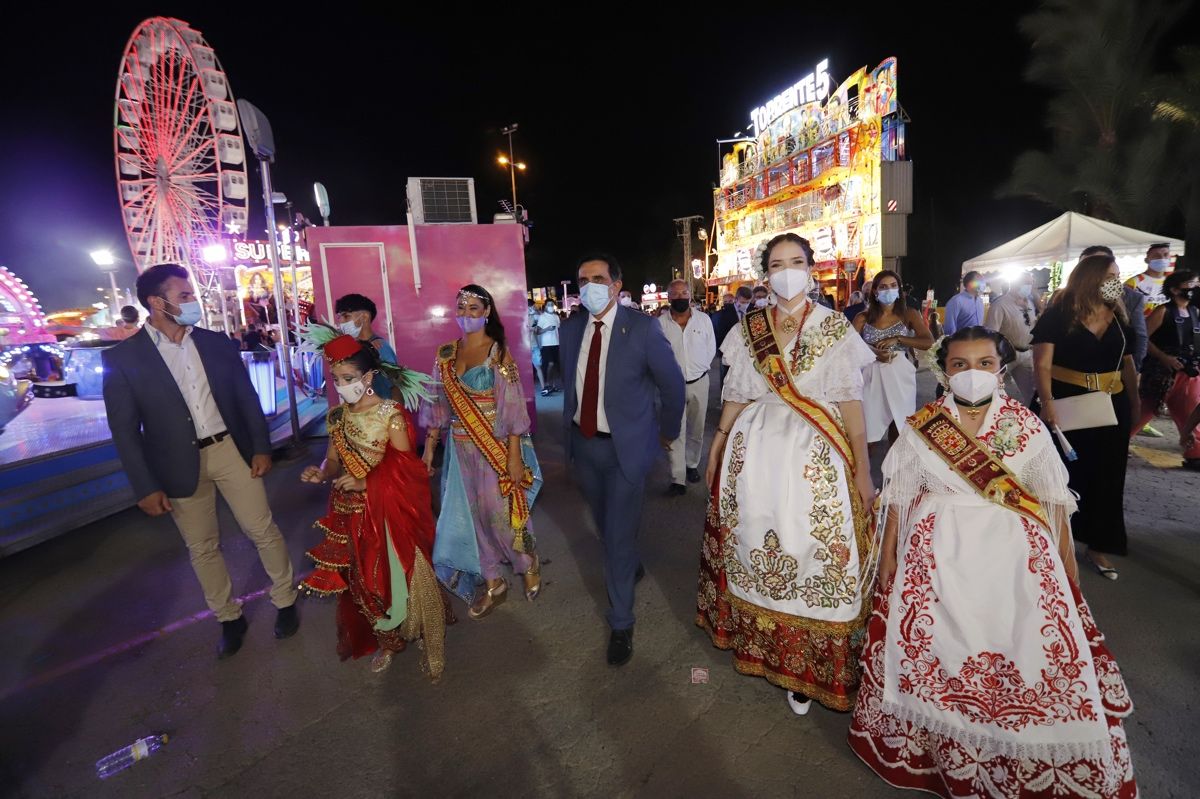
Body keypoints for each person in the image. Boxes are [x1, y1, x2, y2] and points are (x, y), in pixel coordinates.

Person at [849, 326, 1137, 799]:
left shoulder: (1026, 427)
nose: (972, 374)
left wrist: (1067, 571)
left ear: (1001, 369)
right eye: (960, 365)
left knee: (1022, 651)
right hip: (936, 554)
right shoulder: (922, 427)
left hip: (1014, 558)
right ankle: (939, 753)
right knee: (938, 655)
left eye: (984, 364)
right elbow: (898, 497)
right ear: (944, 371)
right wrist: (888, 560)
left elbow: (1053, 502)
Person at [696, 233, 877, 716]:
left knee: (815, 552)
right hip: (754, 455)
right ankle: (764, 646)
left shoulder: (835, 328)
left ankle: (812, 668)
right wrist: (716, 444)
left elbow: (849, 403)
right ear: (765, 273)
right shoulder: (747, 328)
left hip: (818, 460)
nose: (787, 270)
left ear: (811, 268)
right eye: (777, 263)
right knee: (755, 544)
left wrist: (862, 468)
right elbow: (736, 394)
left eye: (796, 261)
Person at [102, 264, 299, 659]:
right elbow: (124, 430)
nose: (193, 302)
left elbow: (246, 398)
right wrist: (146, 486)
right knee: (203, 546)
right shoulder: (125, 358)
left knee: (262, 528)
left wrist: (261, 447)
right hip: (176, 464)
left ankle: (285, 601)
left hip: (230, 450)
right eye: (185, 296)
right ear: (157, 303)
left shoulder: (215, 343)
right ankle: (228, 617)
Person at [297, 331, 447, 675]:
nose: (340, 386)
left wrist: (369, 481)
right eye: (335, 379)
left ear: (367, 378)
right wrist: (321, 473)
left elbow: (408, 469)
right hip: (347, 512)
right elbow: (333, 460)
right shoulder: (336, 417)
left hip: (386, 513)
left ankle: (414, 626)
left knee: (393, 577)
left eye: (347, 379)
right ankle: (387, 640)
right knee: (359, 582)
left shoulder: (390, 414)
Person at [562, 253, 684, 666]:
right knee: (604, 524)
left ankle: (620, 622)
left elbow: (672, 387)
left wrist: (666, 432)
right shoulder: (570, 329)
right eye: (582, 280)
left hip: (626, 450)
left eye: (597, 278)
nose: (589, 286)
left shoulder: (643, 329)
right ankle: (629, 562)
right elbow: (571, 390)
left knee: (615, 536)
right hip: (585, 446)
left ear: (616, 285)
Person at [422, 285, 544, 618]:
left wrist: (514, 456)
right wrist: (429, 451)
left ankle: (527, 561)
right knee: (469, 519)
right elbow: (437, 404)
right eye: (460, 307)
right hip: (459, 451)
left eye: (473, 308)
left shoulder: (498, 352)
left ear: (487, 312)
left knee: (499, 514)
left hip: (495, 447)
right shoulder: (445, 353)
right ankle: (494, 582)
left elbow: (513, 405)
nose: (466, 314)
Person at [1033, 253, 1140, 581]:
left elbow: (1129, 364)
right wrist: (1047, 402)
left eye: (1117, 276)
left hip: (1112, 405)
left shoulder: (1119, 317)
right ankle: (1055, 540)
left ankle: (1099, 545)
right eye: (1111, 276)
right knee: (1065, 474)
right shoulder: (1059, 315)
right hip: (1068, 403)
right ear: (1091, 278)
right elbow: (1042, 364)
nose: (1116, 283)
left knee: (1109, 476)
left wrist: (1135, 402)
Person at [853, 270, 933, 443]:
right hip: (871, 376)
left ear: (899, 290)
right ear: (874, 291)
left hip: (900, 375)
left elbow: (928, 341)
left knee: (899, 427)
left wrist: (898, 338)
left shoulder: (909, 313)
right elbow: (848, 347)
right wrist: (873, 352)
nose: (888, 290)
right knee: (869, 431)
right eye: (883, 287)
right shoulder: (863, 318)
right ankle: (864, 468)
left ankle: (894, 469)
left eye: (893, 286)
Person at [1133, 270, 1200, 469]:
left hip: (1189, 375)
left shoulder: (1196, 312)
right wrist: (1165, 357)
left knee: (1190, 414)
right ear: (1174, 289)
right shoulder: (1163, 311)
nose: (1195, 289)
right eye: (1191, 284)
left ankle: (1195, 453)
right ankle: (1115, 445)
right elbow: (1144, 338)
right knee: (1144, 412)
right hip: (1161, 375)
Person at [659, 279, 717, 495]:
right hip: (671, 387)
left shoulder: (703, 320)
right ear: (669, 297)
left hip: (699, 382)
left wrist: (700, 367)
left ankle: (692, 464)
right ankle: (678, 477)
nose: (680, 296)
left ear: (690, 295)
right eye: (675, 293)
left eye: (684, 292)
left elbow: (711, 347)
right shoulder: (660, 324)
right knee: (675, 431)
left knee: (697, 428)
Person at [1081, 246, 1149, 371]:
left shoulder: (1130, 298)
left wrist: (1135, 371)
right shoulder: (1063, 300)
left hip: (1115, 375)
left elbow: (1139, 337)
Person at [984, 269, 1042, 404]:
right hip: (1005, 355)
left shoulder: (1030, 303)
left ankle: (1034, 420)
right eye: (1026, 283)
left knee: (1033, 393)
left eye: (1031, 283)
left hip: (1026, 354)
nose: (1029, 286)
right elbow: (991, 334)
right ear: (1014, 283)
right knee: (991, 391)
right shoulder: (1000, 304)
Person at [334, 294, 399, 401]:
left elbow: (396, 388)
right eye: (339, 317)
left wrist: (394, 414)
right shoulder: (351, 347)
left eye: (346, 316)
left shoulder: (380, 348)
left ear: (364, 317)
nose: (341, 322)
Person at [1125, 242, 1173, 315]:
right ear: (1147, 260)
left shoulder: (1171, 282)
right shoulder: (1134, 282)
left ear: (1170, 258)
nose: (1162, 258)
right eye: (1156, 255)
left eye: (1166, 255)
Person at [942, 271, 985, 335]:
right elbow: (950, 329)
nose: (983, 283)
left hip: (978, 341)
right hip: (962, 342)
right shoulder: (956, 301)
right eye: (979, 281)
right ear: (970, 283)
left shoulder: (980, 301)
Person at [534, 300, 563, 396]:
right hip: (546, 344)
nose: (550, 306)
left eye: (552, 305)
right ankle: (547, 384)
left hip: (556, 343)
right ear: (545, 306)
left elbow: (559, 329)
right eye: (548, 305)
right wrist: (547, 329)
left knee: (554, 365)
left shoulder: (556, 316)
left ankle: (552, 385)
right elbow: (537, 331)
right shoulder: (542, 317)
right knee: (550, 364)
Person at [714, 285, 753, 352]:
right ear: (736, 299)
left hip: (747, 352)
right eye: (742, 302)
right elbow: (720, 335)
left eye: (748, 302)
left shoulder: (752, 311)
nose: (745, 305)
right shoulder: (724, 313)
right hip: (729, 352)